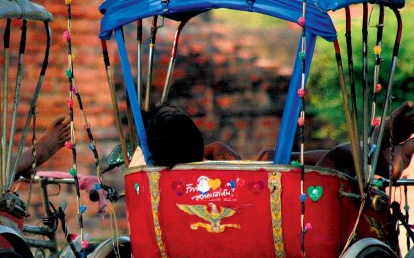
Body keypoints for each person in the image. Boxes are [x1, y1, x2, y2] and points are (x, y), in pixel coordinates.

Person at [132, 101, 414, 180]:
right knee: (340, 155)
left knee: (271, 155)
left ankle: (377, 144)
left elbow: (167, 151)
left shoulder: (146, 169)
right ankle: (381, 150)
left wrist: (203, 152)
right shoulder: (212, 173)